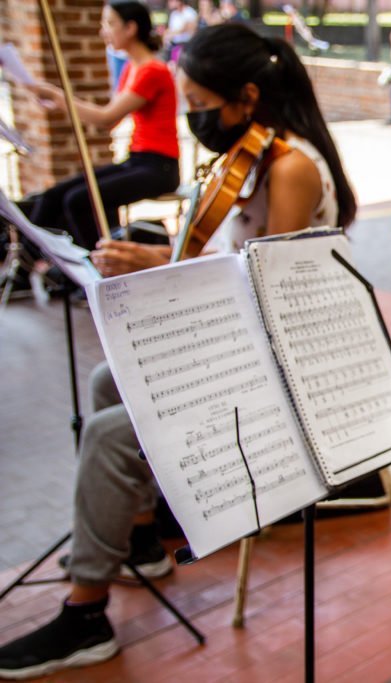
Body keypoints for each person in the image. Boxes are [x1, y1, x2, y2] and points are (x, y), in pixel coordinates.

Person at [0, 23, 356, 680]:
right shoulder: (254, 157)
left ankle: (84, 615)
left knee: (110, 432)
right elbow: (236, 262)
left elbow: (270, 297)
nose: (193, 117)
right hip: (249, 354)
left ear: (247, 97)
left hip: (287, 379)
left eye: (198, 102)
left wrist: (163, 260)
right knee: (110, 379)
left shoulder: (292, 167)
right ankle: (140, 537)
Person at [25, 0, 179, 250]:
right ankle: (33, 262)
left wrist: (59, 97)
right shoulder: (132, 68)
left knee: (79, 200)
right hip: (138, 160)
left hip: (159, 167)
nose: (103, 31)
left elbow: (106, 117)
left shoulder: (153, 71)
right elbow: (110, 119)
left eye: (109, 24)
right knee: (54, 196)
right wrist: (60, 100)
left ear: (130, 28)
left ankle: (100, 266)